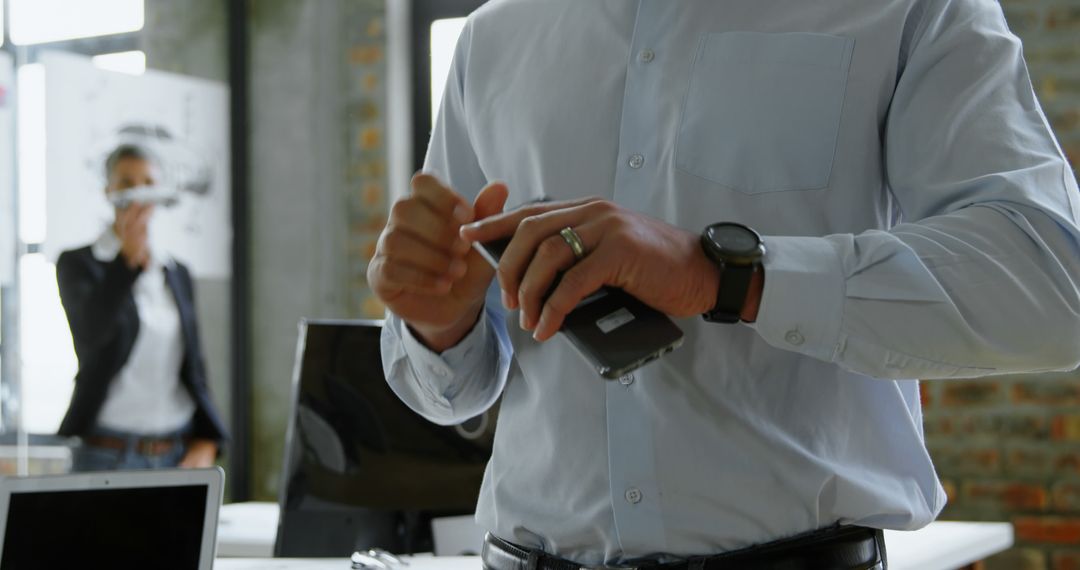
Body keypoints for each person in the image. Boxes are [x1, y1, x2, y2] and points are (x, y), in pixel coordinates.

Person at [370, 1, 1080, 568]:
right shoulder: (495, 36)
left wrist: (727, 276)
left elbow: (1052, 287)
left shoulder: (907, 9)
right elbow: (453, 389)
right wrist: (442, 327)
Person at [56, 144, 228, 472]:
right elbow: (91, 335)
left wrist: (209, 438)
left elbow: (194, 367)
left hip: (174, 453)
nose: (137, 192)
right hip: (107, 454)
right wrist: (125, 263)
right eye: (126, 182)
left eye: (148, 183)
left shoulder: (176, 272)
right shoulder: (79, 264)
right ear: (109, 191)